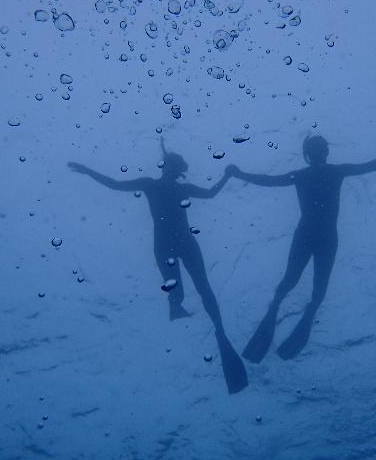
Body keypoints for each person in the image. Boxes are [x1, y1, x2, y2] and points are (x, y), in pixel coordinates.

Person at [228, 134, 376, 362]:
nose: (319, 152)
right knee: (312, 288)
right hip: (324, 238)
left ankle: (277, 309)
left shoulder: (304, 175)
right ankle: (290, 312)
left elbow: (268, 180)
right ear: (324, 152)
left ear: (309, 154)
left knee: (292, 284)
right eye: (319, 148)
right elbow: (373, 165)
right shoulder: (334, 172)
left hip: (307, 236)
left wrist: (239, 174)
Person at [68, 145, 248, 394]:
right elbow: (114, 184)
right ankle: (206, 322)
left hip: (170, 243)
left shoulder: (156, 185)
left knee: (194, 290)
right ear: (173, 169)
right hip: (179, 242)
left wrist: (228, 176)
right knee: (191, 291)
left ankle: (214, 327)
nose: (176, 171)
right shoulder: (162, 186)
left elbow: (115, 184)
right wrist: (88, 171)